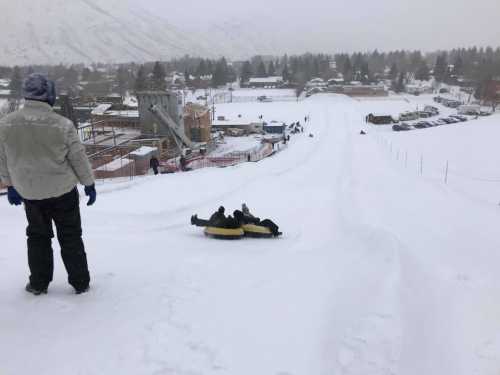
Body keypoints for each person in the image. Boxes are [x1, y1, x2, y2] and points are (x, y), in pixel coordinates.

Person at [0, 73, 96, 296]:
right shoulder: (62, 125)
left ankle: (38, 283)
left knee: (37, 237)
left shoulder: (6, 124)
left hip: (29, 193)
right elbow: (78, 158)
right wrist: (88, 183)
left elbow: (2, 157)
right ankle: (80, 282)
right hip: (62, 191)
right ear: (50, 95)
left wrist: (10, 184)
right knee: (70, 235)